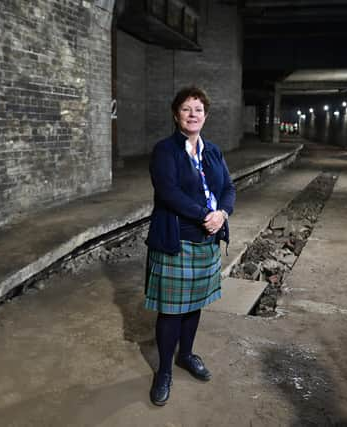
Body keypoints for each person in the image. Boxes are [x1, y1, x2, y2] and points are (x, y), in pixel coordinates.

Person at [144, 86, 236, 406]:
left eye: (198, 109)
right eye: (186, 109)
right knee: (171, 311)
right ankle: (165, 371)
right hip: (177, 240)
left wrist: (222, 214)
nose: (193, 114)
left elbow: (227, 187)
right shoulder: (164, 151)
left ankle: (187, 355)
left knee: (194, 304)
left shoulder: (213, 151)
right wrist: (205, 215)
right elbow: (168, 192)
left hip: (207, 241)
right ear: (176, 115)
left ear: (205, 116)